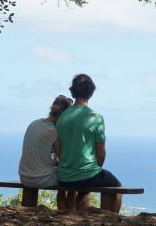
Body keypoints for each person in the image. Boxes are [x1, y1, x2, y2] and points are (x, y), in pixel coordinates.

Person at [55, 74, 123, 212]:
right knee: (117, 187)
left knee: (83, 188)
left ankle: (81, 218)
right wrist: (92, 170)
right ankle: (112, 219)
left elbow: (59, 149)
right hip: (86, 174)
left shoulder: (62, 117)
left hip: (63, 175)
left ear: (72, 91)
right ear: (91, 91)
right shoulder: (95, 118)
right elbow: (101, 153)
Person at [18, 94, 75, 210]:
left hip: (24, 176)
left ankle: (65, 213)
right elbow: (62, 157)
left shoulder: (33, 123)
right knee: (73, 178)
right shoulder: (54, 131)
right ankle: (68, 215)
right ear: (64, 115)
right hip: (40, 178)